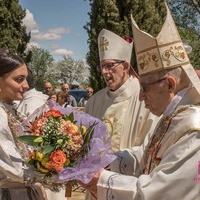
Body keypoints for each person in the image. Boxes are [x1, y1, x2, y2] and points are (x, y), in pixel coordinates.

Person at [82, 2, 200, 199]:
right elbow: (145, 155)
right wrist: (105, 161)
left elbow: (162, 192)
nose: (140, 95)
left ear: (170, 85)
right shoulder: (173, 118)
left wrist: (101, 180)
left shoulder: (194, 129)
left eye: (144, 87)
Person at [85, 29, 159, 152]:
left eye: (109, 65)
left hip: (131, 170)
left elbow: (149, 145)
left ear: (125, 66)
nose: (104, 72)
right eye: (102, 66)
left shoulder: (146, 97)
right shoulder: (94, 101)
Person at [0, 48, 47, 200]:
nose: (27, 85)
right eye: (19, 79)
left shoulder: (10, 109)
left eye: (26, 78)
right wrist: (53, 170)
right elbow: (15, 168)